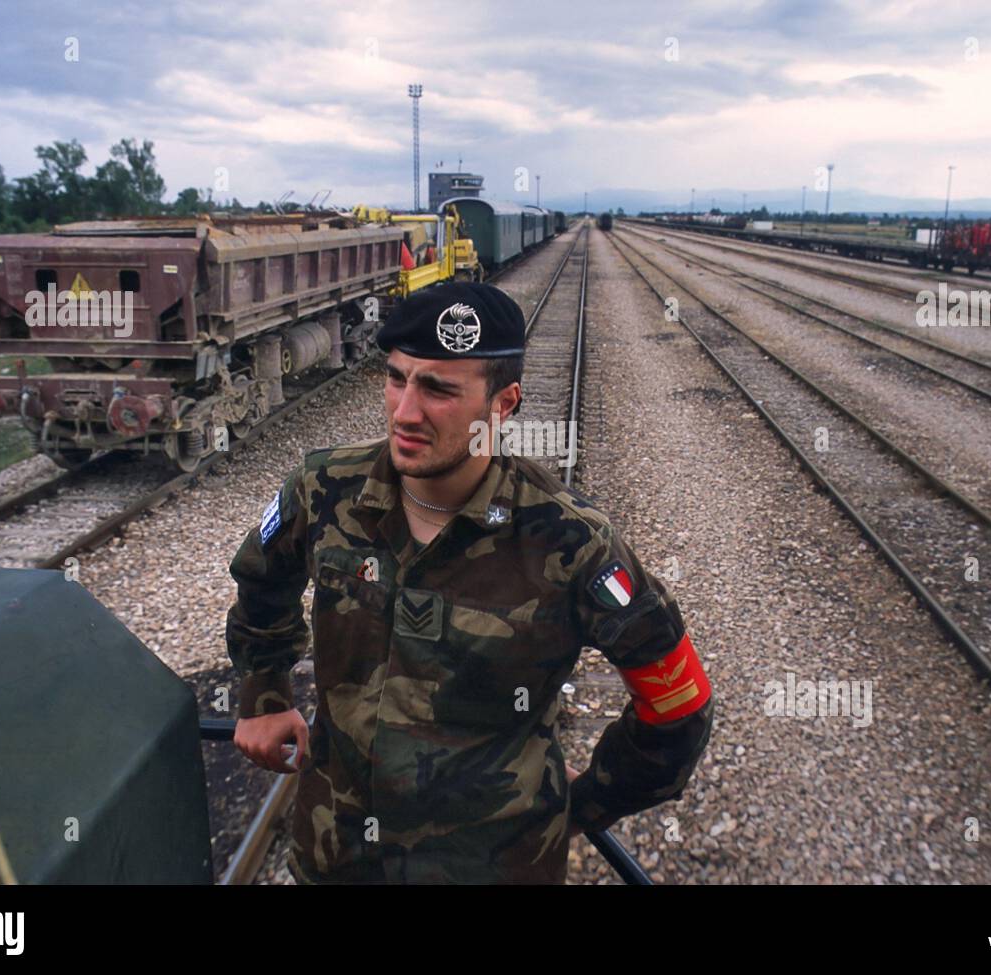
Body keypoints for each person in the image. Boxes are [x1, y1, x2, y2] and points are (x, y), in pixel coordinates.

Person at [226, 282, 713, 883]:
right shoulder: (324, 488)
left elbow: (678, 708)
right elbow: (261, 578)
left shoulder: (572, 542)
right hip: (335, 855)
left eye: (437, 389)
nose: (405, 411)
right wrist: (265, 694)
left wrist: (573, 811)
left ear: (502, 404)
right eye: (397, 378)